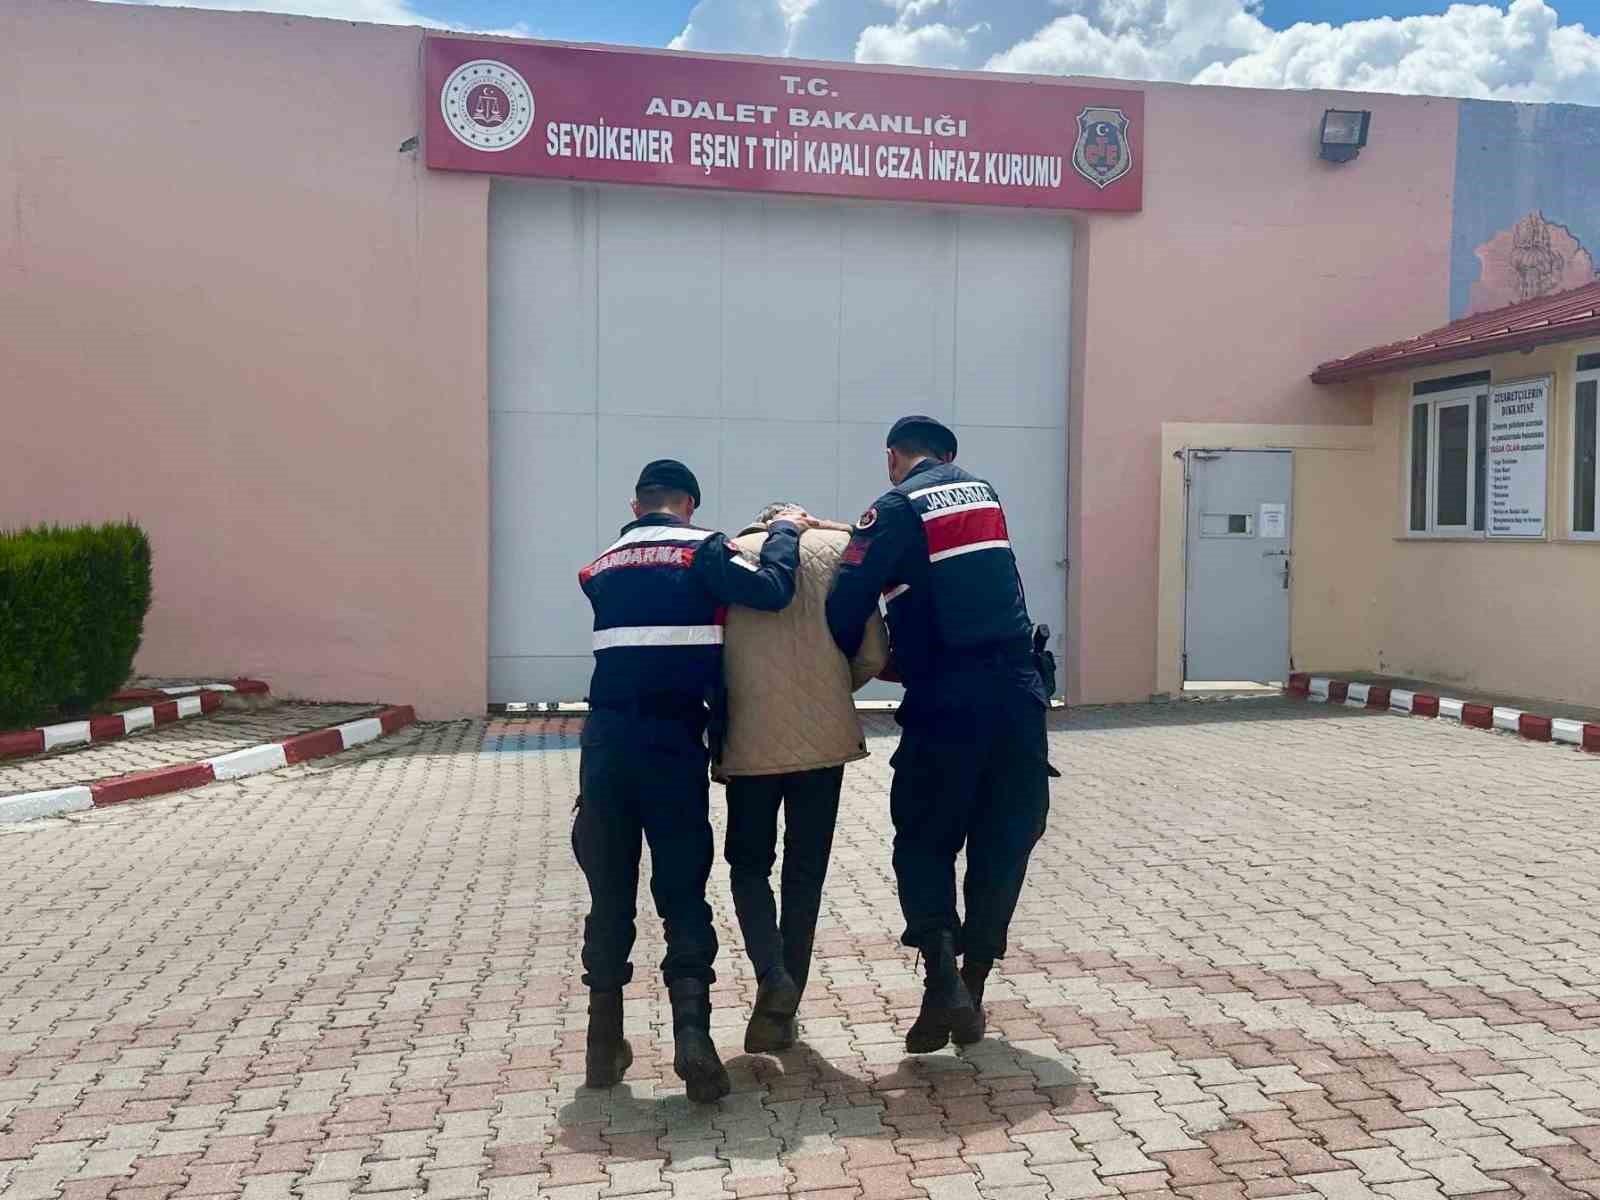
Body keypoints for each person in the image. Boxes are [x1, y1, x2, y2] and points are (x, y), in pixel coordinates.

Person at [574, 460, 808, 1103]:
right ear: (690, 504)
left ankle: (603, 1044)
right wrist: (785, 531)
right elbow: (773, 590)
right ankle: (692, 1038)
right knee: (681, 891)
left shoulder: (600, 566)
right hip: (672, 747)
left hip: (604, 748)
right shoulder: (701, 551)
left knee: (609, 894)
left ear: (636, 503)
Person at [825, 416, 1052, 1054]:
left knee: (924, 840)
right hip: (1019, 698)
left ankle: (943, 981)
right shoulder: (983, 493)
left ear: (893, 457)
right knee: (1004, 841)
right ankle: (968, 989)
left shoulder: (895, 507)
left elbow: (845, 601)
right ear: (950, 456)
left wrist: (857, 664)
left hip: (948, 701)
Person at [716, 501, 889, 1054]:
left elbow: (707, 653)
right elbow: (874, 651)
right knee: (805, 870)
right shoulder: (840, 554)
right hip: (824, 741)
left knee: (748, 865)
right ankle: (782, 1010)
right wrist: (831, 690)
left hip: (749, 741)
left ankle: (772, 976)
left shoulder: (726, 557)